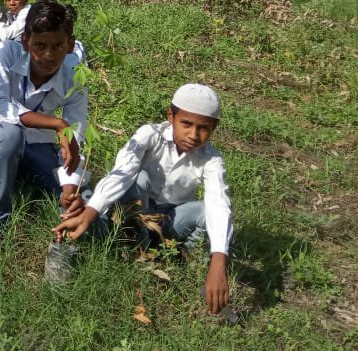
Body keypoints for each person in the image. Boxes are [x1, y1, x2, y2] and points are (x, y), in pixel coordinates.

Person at [53, 84, 233, 315]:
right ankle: (128, 242)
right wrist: (90, 213)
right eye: (186, 124)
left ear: (214, 128)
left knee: (206, 211)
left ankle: (179, 257)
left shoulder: (211, 159)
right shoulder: (149, 136)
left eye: (203, 128)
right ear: (171, 116)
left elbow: (219, 204)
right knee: (140, 178)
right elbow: (123, 172)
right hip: (134, 213)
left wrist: (218, 263)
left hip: (168, 220)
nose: (193, 135)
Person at [0, 0, 87, 234]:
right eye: (40, 46)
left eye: (58, 46)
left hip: (40, 147)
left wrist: (70, 184)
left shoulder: (75, 73)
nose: (49, 55)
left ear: (70, 45)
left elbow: (77, 134)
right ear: (26, 42)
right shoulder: (7, 52)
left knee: (73, 195)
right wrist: (57, 124)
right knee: (10, 133)